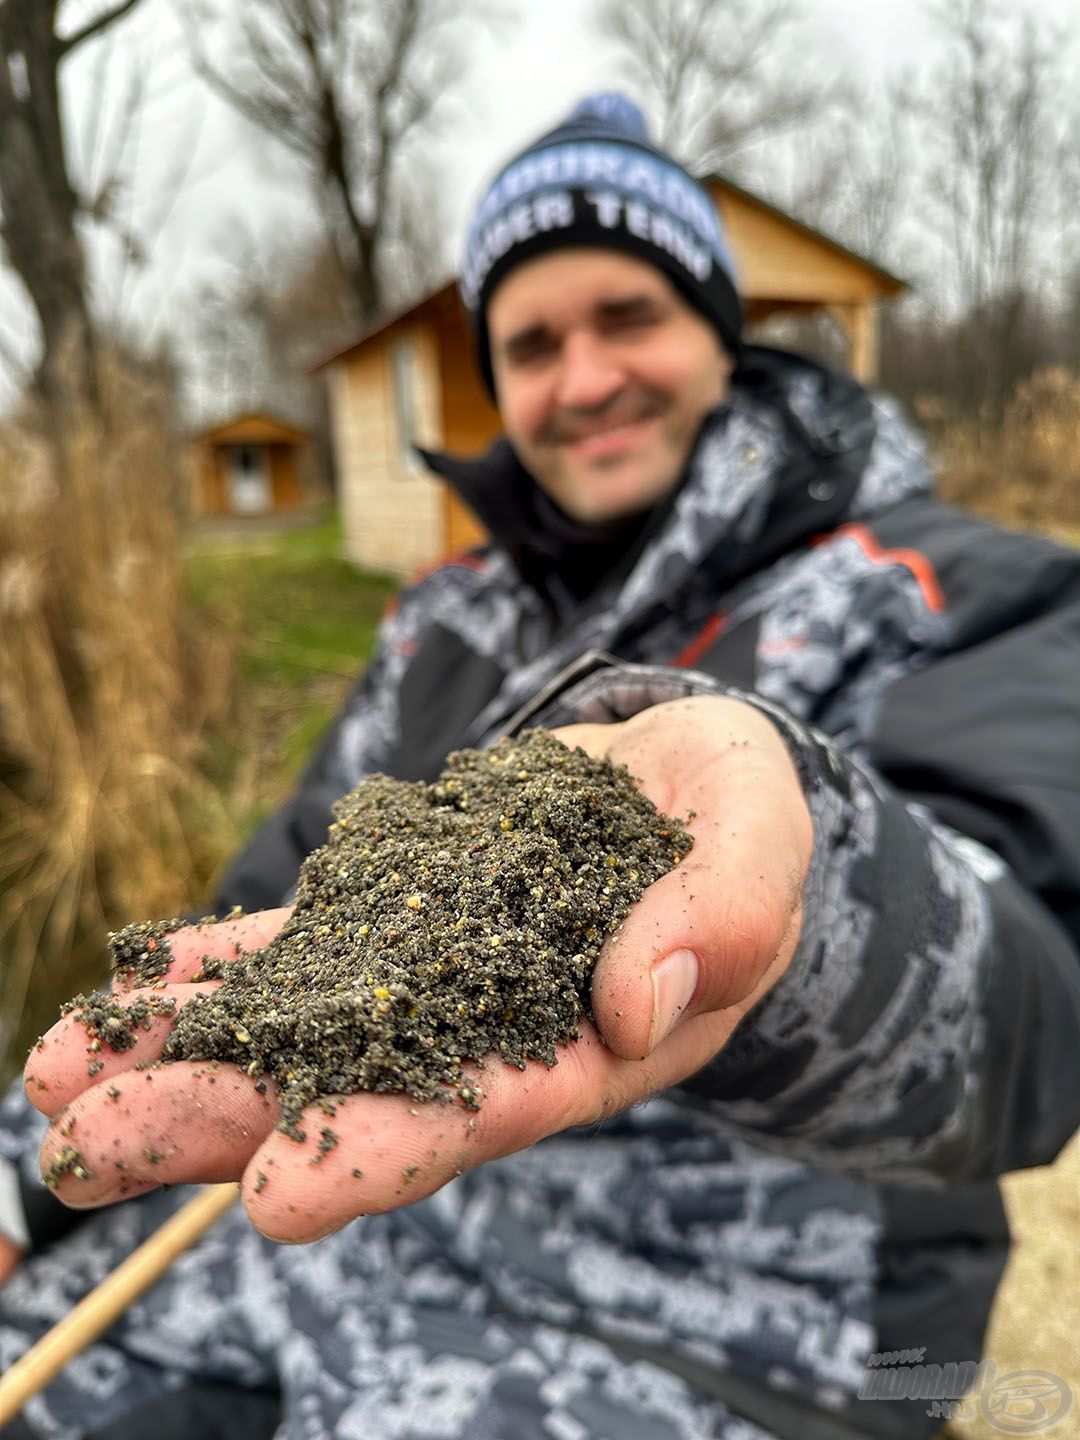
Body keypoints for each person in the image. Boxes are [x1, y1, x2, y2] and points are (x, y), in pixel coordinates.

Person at [3, 92, 1080, 1440]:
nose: (582, 379)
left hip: (731, 1325)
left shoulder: (959, 593)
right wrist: (16, 1184)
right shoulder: (443, 620)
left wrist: (805, 914)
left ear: (719, 329)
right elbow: (270, 900)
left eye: (629, 317)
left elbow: (1042, 1030)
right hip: (345, 1226)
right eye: (532, 342)